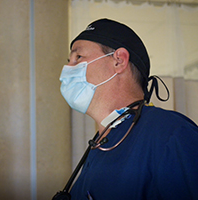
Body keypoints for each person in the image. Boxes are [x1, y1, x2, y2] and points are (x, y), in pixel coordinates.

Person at [56, 18, 198, 200]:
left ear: (119, 61)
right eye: (69, 60)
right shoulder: (101, 146)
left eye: (78, 57)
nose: (67, 69)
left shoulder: (170, 133)